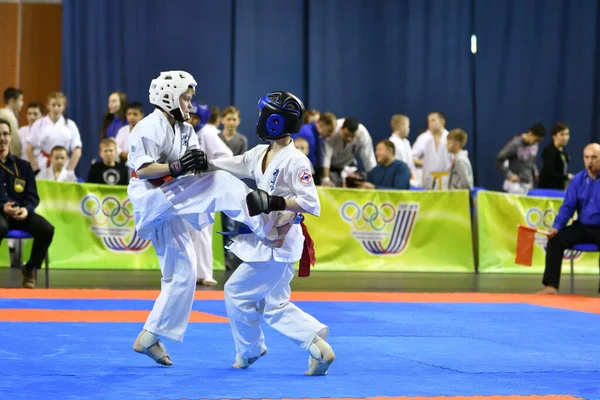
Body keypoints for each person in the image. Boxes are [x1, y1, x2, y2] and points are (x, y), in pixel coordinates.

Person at [127, 70, 281, 366]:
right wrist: (176, 165)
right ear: (168, 97)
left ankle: (150, 336)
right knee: (221, 184)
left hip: (172, 195)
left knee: (184, 272)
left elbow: (194, 164)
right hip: (152, 197)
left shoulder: (185, 129)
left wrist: (196, 163)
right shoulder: (148, 127)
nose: (189, 104)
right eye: (185, 98)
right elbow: (143, 170)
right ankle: (265, 226)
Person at [210, 91, 335, 376]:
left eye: (263, 115)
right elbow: (235, 163)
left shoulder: (296, 160)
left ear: (275, 122)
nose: (259, 120)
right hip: (268, 240)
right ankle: (317, 348)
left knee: (236, 291)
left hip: (281, 242)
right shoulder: (260, 153)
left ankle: (250, 350)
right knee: (275, 304)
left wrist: (275, 201)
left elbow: (311, 202)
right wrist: (204, 163)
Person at [537, 144, 600, 294]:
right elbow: (568, 207)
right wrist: (556, 227)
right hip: (583, 226)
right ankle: (551, 286)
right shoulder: (577, 180)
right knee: (555, 240)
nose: (589, 161)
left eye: (594, 158)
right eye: (586, 157)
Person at [0, 119, 55, 288]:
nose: (2, 138)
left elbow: (33, 196)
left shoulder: (23, 166)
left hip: (20, 213)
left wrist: (25, 209)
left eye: (5, 134)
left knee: (46, 229)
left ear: (10, 137)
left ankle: (30, 268)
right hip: (0, 214)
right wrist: (2, 207)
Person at [26, 92, 82, 175]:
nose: (56, 108)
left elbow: (77, 150)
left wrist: (69, 170)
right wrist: (35, 168)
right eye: (53, 105)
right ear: (48, 105)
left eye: (59, 105)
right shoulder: (39, 124)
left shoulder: (70, 125)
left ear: (64, 107)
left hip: (64, 165)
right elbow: (29, 148)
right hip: (43, 165)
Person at [495, 123, 546, 194]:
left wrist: (535, 172)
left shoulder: (535, 145)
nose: (537, 142)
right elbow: (499, 159)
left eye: (539, 141)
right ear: (530, 133)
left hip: (528, 183)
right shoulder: (515, 144)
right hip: (515, 185)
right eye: (536, 139)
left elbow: (532, 161)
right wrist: (509, 175)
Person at [538, 122, 572, 190]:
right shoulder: (549, 151)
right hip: (548, 191)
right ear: (554, 136)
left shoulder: (564, 153)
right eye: (562, 134)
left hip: (560, 189)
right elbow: (549, 173)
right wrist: (566, 177)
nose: (565, 137)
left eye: (567, 134)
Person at [0, 87, 24, 156]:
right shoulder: (7, 116)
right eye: (20, 100)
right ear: (12, 101)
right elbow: (14, 140)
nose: (22, 103)